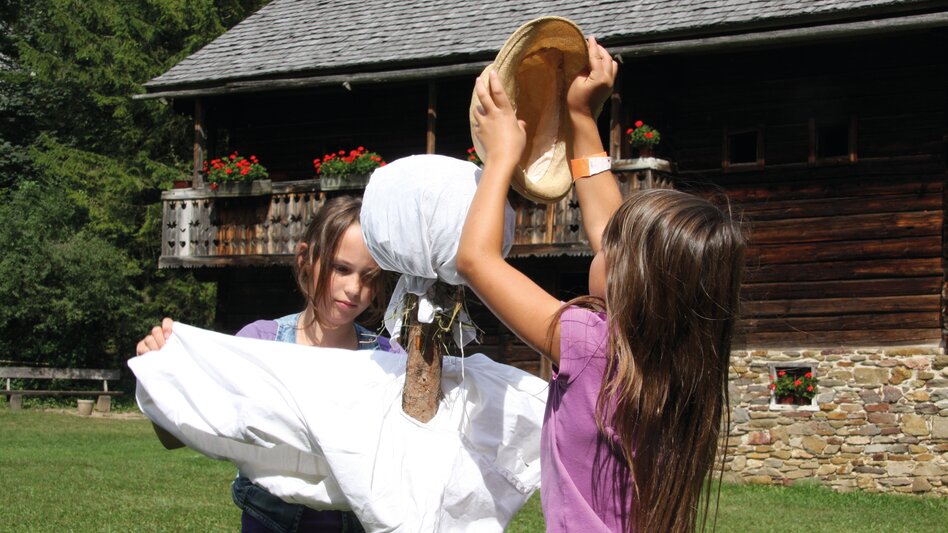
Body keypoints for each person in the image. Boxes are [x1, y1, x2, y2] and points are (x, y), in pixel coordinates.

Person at [457, 37, 746, 533]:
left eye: (609, 247)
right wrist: (581, 117)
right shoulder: (681, 363)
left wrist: (502, 155)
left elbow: (476, 259)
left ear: (632, 279)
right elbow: (612, 225)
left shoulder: (592, 346)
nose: (599, 242)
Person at [136, 195, 388, 533]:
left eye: (369, 276)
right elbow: (174, 437)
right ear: (306, 259)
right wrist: (160, 375)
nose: (354, 289)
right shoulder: (258, 344)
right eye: (341, 268)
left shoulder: (387, 360)